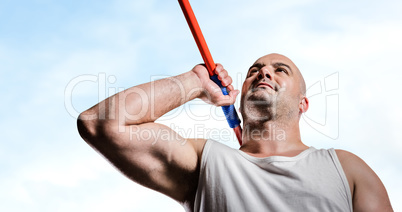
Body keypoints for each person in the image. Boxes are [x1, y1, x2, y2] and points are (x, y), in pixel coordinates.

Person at [77, 53, 393, 211]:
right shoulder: (206, 162)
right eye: (254, 70)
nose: (264, 72)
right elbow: (102, 124)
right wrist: (194, 84)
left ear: (303, 103)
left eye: (280, 70)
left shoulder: (346, 168)